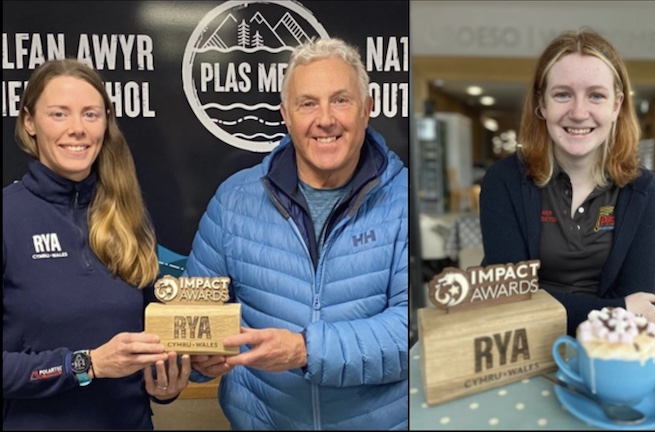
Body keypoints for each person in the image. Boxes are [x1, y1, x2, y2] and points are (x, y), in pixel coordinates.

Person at [184, 37, 408, 430]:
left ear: (367, 109)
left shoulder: (408, 201)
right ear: (286, 115)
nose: (325, 118)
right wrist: (199, 360)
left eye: (341, 100)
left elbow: (413, 333)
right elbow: (194, 317)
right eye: (308, 103)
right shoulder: (234, 201)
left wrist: (306, 350)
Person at [3, 59, 191, 430]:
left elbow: (155, 335)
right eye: (59, 114)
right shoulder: (8, 216)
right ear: (29, 122)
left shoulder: (129, 215)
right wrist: (87, 365)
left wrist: (164, 382)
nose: (77, 129)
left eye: (91, 114)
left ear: (106, 123)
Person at [479, 28, 655, 337]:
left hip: (608, 349)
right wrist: (618, 309)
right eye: (563, 94)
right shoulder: (503, 181)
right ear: (542, 103)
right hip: (522, 347)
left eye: (596, 95)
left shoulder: (641, 188)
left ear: (616, 106)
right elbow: (507, 301)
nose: (579, 113)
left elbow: (641, 306)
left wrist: (545, 308)